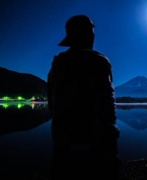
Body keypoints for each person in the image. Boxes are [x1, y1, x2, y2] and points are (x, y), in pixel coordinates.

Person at [47, 15, 121, 179]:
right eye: (90, 32)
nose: (93, 36)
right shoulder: (98, 62)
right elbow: (106, 100)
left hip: (62, 136)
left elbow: (51, 102)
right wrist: (110, 131)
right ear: (86, 35)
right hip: (92, 136)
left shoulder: (58, 63)